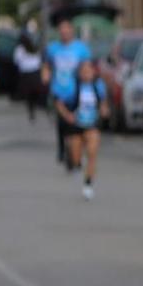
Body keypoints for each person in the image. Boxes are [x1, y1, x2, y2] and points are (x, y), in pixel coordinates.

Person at [56, 56, 109, 200]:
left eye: (89, 70)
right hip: (75, 125)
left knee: (92, 153)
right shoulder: (72, 86)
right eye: (83, 71)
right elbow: (59, 103)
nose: (86, 73)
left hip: (92, 124)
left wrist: (104, 110)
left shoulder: (98, 86)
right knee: (76, 155)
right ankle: (77, 163)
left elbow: (103, 102)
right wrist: (68, 115)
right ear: (79, 73)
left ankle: (88, 184)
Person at [43, 20, 91, 172]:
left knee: (77, 122)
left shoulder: (81, 49)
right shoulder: (53, 49)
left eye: (67, 30)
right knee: (62, 121)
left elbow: (87, 67)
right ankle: (63, 149)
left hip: (76, 90)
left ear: (71, 31)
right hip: (59, 90)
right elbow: (47, 65)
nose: (64, 33)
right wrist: (45, 75)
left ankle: (76, 151)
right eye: (61, 31)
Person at [13, 31, 46, 122]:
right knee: (34, 93)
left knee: (29, 94)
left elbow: (16, 61)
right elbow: (39, 60)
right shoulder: (33, 47)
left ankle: (31, 109)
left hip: (27, 74)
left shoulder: (19, 49)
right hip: (35, 72)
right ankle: (33, 108)